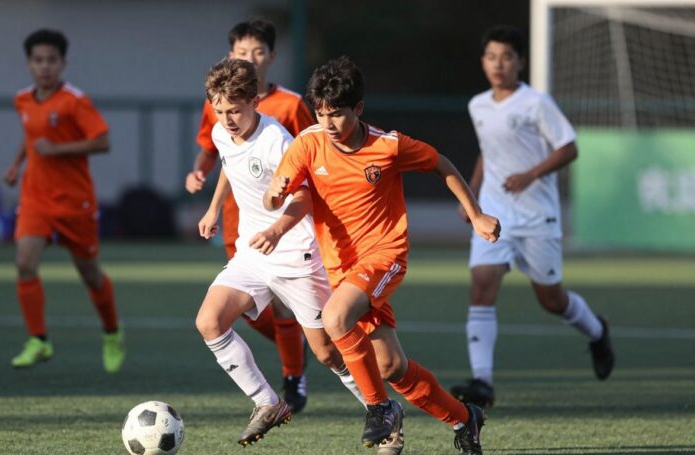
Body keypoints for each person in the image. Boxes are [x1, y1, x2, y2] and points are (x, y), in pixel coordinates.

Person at [264, 56, 500, 455]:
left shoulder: (387, 146)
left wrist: (475, 214)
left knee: (336, 318)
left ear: (357, 109)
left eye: (336, 114)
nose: (328, 123)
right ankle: (465, 418)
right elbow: (280, 187)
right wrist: (274, 197)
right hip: (341, 269)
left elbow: (440, 163)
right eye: (321, 114)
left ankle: (379, 410)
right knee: (392, 367)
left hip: (384, 255)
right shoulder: (308, 143)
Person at [196, 58, 367, 448]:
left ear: (255, 101)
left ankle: (380, 408)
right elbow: (227, 163)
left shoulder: (276, 141)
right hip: (252, 253)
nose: (227, 119)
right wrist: (212, 209)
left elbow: (305, 197)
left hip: (296, 253)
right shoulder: (224, 132)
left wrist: (276, 229)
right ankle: (266, 402)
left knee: (326, 352)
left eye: (235, 111)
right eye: (219, 111)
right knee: (209, 321)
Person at [449, 25, 615, 409]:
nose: (498, 64)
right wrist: (472, 200)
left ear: (520, 61)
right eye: (491, 57)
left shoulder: (535, 103)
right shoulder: (478, 105)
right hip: (494, 212)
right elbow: (486, 152)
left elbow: (569, 148)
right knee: (481, 287)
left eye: (506, 57)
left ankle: (596, 331)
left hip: (537, 216)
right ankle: (482, 382)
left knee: (552, 300)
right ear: (483, 62)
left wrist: (531, 174)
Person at [186, 18, 315, 413]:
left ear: (271, 57)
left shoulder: (288, 107)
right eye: (243, 52)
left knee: (285, 310)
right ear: (232, 56)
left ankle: (294, 379)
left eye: (259, 52)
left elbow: (313, 152)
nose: (251, 58)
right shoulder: (221, 104)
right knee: (242, 313)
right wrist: (200, 177)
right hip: (239, 224)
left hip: (286, 227)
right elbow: (218, 150)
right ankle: (292, 353)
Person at [3, 29, 124, 373]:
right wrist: (16, 164)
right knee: (25, 262)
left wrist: (57, 150)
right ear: (29, 64)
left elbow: (103, 142)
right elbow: (31, 137)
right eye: (38, 60)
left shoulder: (75, 101)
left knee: (90, 274)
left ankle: (112, 332)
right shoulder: (23, 99)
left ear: (62, 63)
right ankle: (38, 340)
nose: (45, 67)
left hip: (75, 202)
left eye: (51, 60)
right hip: (35, 198)